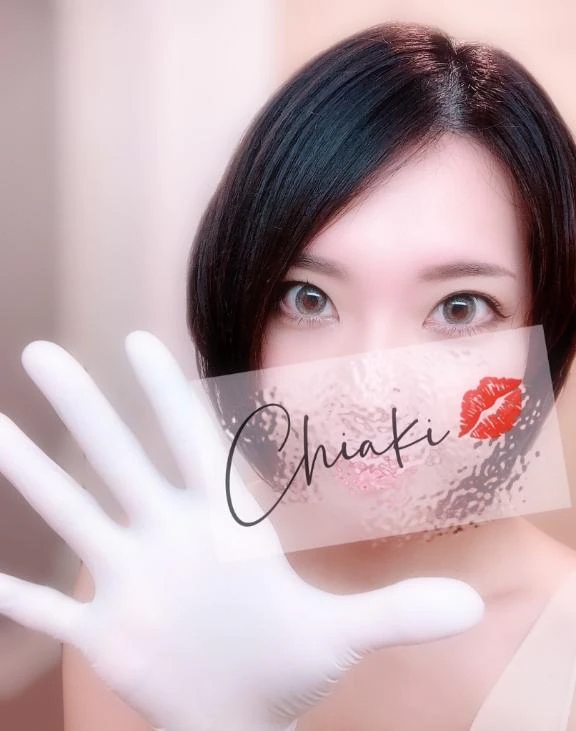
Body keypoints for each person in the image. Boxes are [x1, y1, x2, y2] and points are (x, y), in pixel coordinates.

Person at [2, 19, 575, 731]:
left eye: (460, 308)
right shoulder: (158, 585)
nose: (373, 393)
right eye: (308, 298)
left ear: (543, 333)